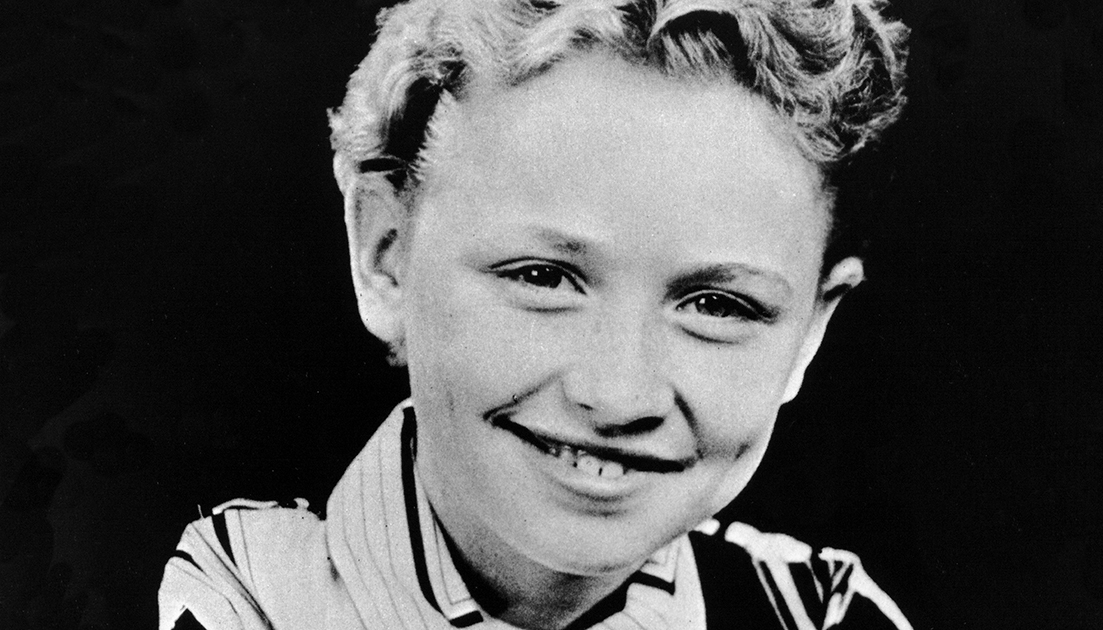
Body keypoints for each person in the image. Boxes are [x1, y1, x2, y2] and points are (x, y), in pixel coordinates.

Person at [157, 0, 911, 628]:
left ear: (810, 332)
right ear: (385, 253)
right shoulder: (242, 591)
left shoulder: (821, 613)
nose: (618, 396)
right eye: (544, 277)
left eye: (717, 305)